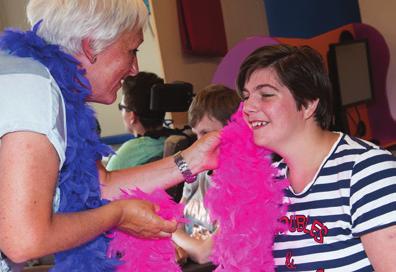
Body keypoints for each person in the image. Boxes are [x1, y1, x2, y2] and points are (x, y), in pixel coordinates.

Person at [0, 1, 218, 271]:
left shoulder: (42, 84)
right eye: (132, 50)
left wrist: (194, 159)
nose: (135, 68)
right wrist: (118, 214)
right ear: (91, 46)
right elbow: (24, 241)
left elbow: (101, 185)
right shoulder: (34, 90)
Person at [237, 44, 396, 271]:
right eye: (246, 97)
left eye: (266, 95)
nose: (247, 107)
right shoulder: (266, 183)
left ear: (309, 103)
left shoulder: (366, 171)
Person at [172, 84, 240, 265]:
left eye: (206, 133)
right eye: (196, 135)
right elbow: (174, 219)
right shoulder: (196, 171)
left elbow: (205, 254)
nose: (199, 144)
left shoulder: (244, 185)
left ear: (234, 130)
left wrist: (176, 237)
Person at [106, 72, 167, 171]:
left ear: (132, 116)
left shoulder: (125, 155)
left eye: (121, 107)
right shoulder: (175, 139)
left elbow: (103, 185)